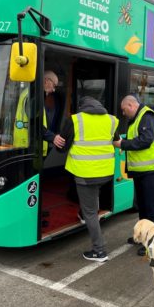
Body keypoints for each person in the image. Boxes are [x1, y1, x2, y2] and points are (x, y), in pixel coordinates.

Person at [55, 96, 119, 262]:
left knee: (91, 213)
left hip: (85, 173)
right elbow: (116, 140)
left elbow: (62, 148)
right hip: (105, 172)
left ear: (81, 107)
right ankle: (84, 213)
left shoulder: (75, 120)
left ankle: (99, 251)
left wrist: (56, 142)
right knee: (92, 199)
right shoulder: (111, 120)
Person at [113, 95, 154, 256]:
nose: (123, 114)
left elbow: (145, 141)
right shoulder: (138, 117)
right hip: (142, 171)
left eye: (124, 110)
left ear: (131, 105)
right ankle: (142, 236)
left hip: (152, 171)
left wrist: (122, 144)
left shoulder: (147, 116)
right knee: (143, 206)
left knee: (151, 208)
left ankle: (153, 242)